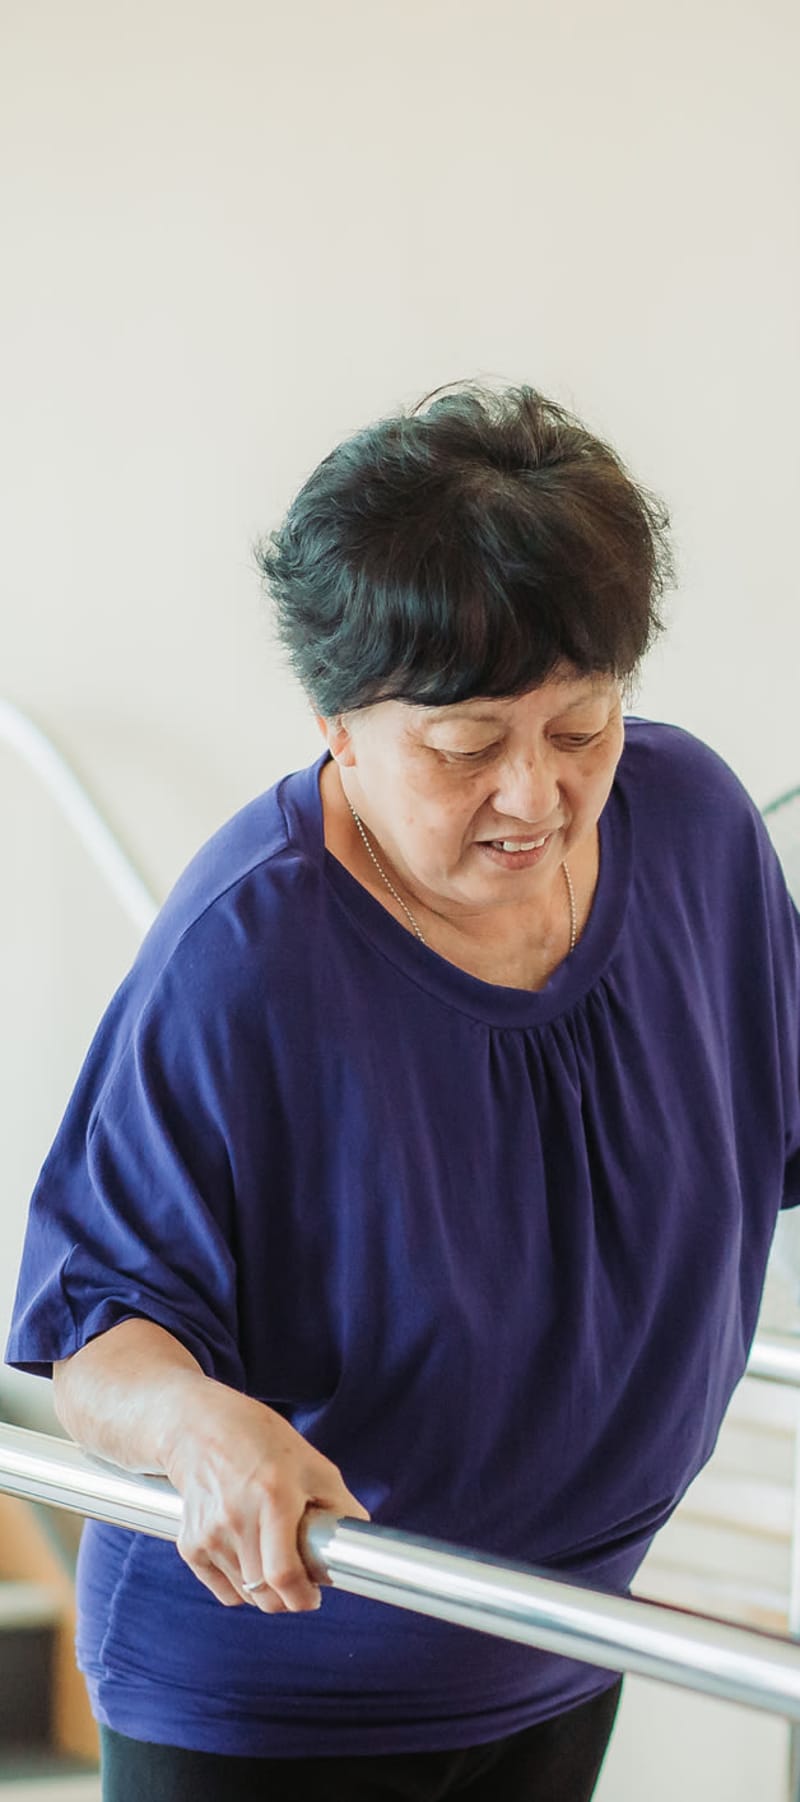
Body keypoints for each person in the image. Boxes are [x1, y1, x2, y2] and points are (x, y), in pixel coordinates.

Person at [6, 384, 800, 1802]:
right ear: (339, 723)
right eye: (465, 745)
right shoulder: (247, 955)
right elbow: (95, 1333)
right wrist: (207, 1426)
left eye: (583, 726)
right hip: (276, 1686)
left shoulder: (693, 833)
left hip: (562, 1635)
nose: (536, 796)